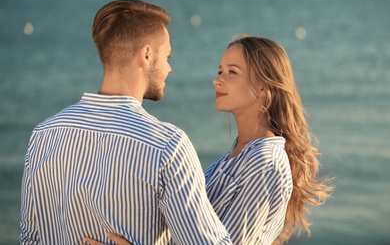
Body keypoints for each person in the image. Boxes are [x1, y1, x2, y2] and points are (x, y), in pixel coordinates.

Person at [20, 0, 233, 244]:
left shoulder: (43, 135)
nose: (169, 69)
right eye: (168, 56)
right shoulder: (167, 147)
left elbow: (30, 238)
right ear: (146, 54)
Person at [86, 35, 333, 245]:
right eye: (220, 71)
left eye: (232, 73)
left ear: (262, 88)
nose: (217, 80)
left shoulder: (265, 161)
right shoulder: (237, 155)